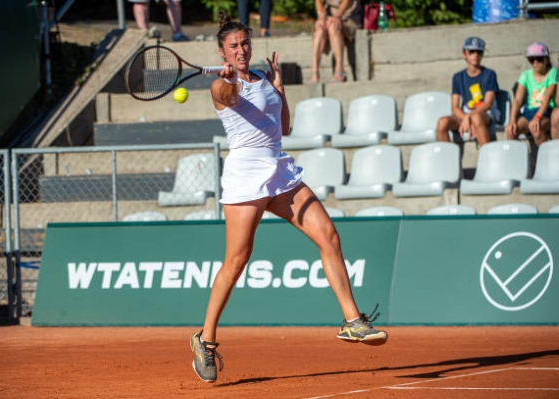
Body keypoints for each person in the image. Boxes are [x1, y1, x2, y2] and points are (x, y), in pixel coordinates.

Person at [189, 11, 388, 384]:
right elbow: (229, 97)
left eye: (245, 43)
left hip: (279, 172)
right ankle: (206, 339)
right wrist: (229, 81)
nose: (242, 50)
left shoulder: (263, 78)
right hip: (246, 177)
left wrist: (279, 86)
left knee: (328, 235)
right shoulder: (220, 86)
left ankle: (351, 321)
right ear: (222, 51)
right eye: (234, 46)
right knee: (236, 260)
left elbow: (283, 127)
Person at [436, 37, 500, 146]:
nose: (475, 54)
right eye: (471, 52)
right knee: (442, 122)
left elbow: (487, 104)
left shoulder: (489, 74)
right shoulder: (458, 77)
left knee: (476, 117)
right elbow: (454, 107)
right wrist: (466, 117)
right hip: (465, 114)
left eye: (479, 52)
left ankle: (488, 157)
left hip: (485, 114)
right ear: (464, 54)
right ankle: (447, 160)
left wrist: (469, 117)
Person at [505, 42, 556, 148]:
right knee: (512, 131)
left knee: (536, 129)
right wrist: (512, 121)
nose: (535, 63)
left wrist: (538, 117)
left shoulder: (553, 72)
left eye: (539, 59)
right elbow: (517, 100)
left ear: (547, 59)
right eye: (532, 60)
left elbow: (548, 96)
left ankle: (546, 159)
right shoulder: (526, 75)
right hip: (529, 112)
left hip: (546, 112)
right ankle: (522, 161)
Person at [309, 0, 362, 83]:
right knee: (319, 28)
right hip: (329, 17)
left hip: (348, 16)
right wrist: (321, 16)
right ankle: (314, 72)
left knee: (333, 26)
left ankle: (339, 71)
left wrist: (336, 16)